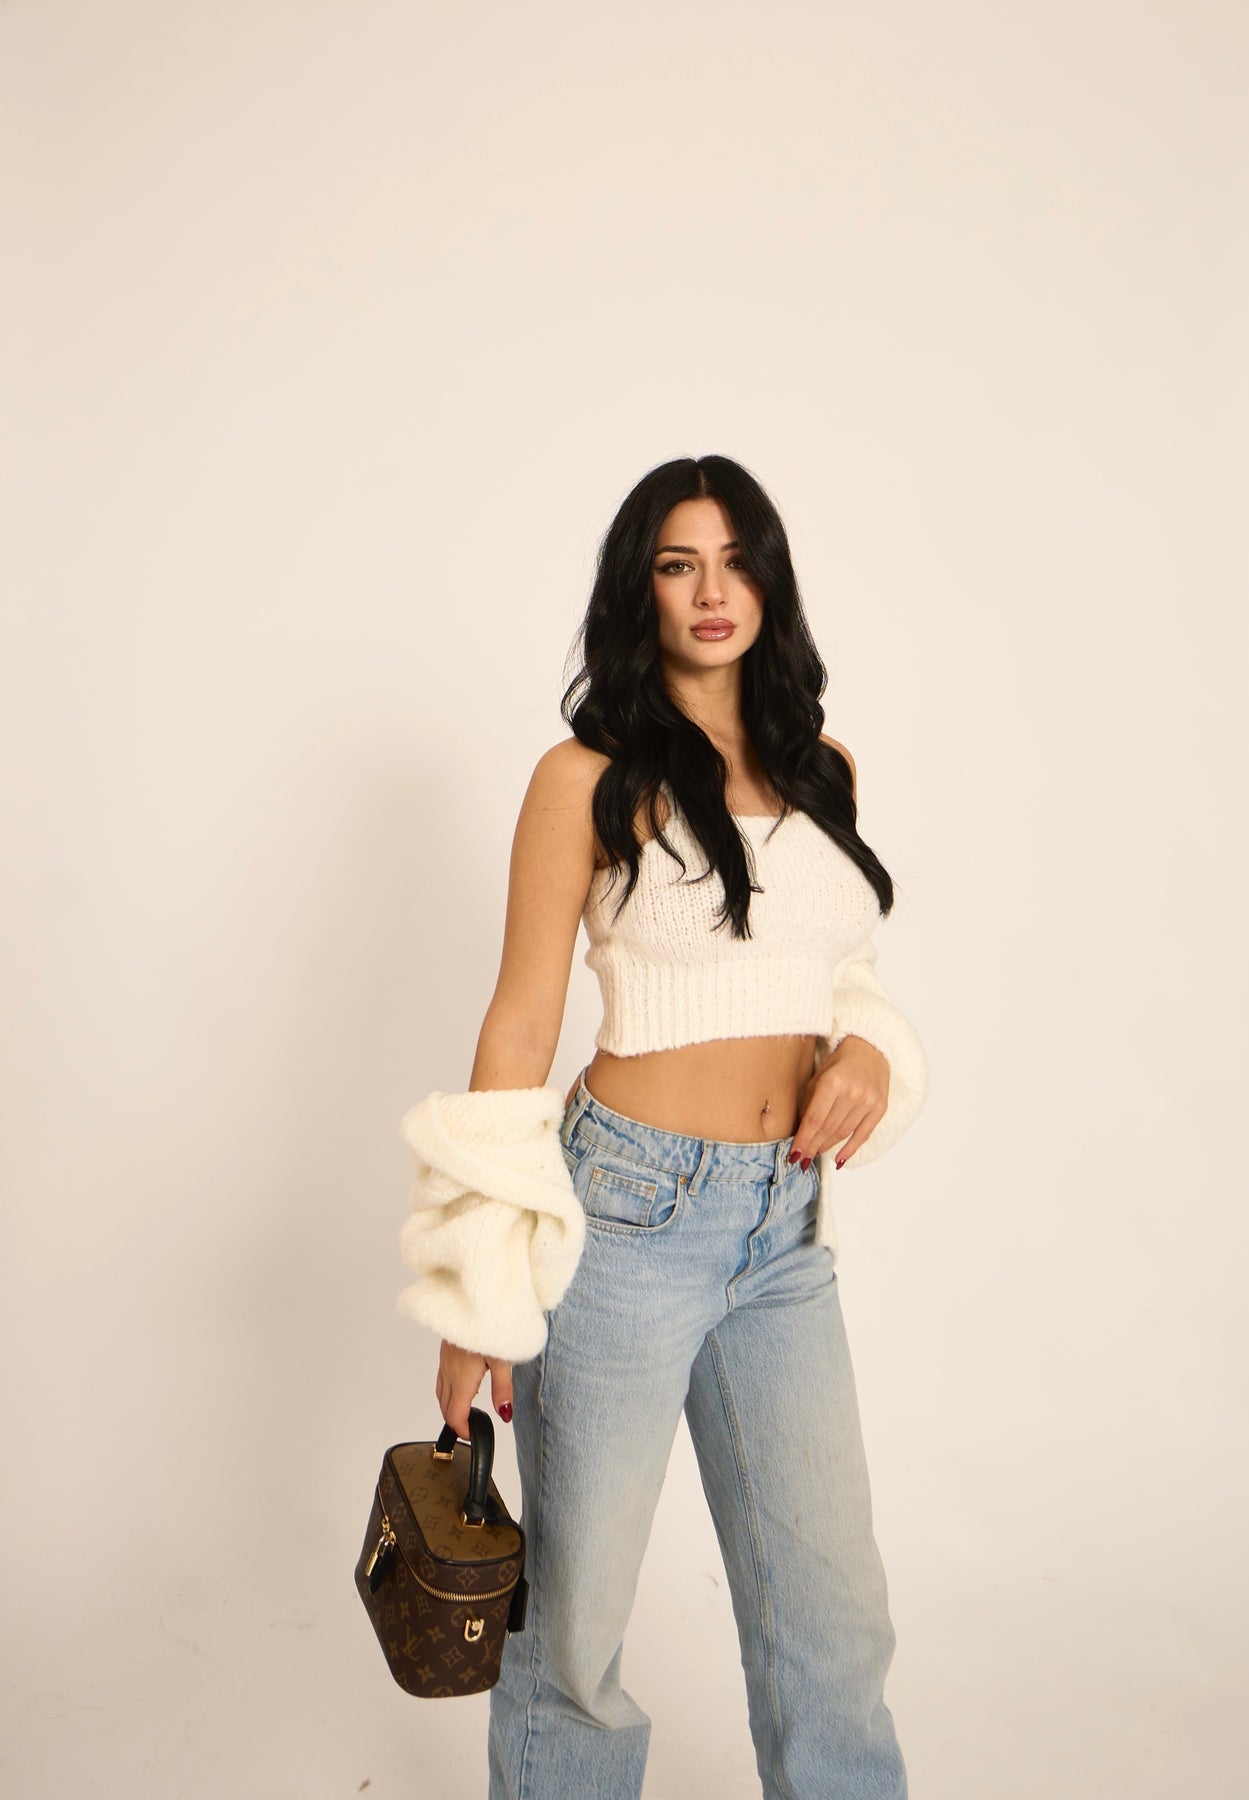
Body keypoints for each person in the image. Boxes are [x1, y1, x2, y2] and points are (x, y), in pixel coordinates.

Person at [397, 453, 928, 1799]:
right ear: (639, 591)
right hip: (624, 1220)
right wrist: (479, 1291)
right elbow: (521, 1024)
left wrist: (873, 1050)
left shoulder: (822, 769)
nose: (710, 591)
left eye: (735, 560)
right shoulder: (584, 778)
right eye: (678, 564)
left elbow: (836, 972)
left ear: (770, 582)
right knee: (574, 1633)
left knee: (834, 1617)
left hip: (783, 1229)